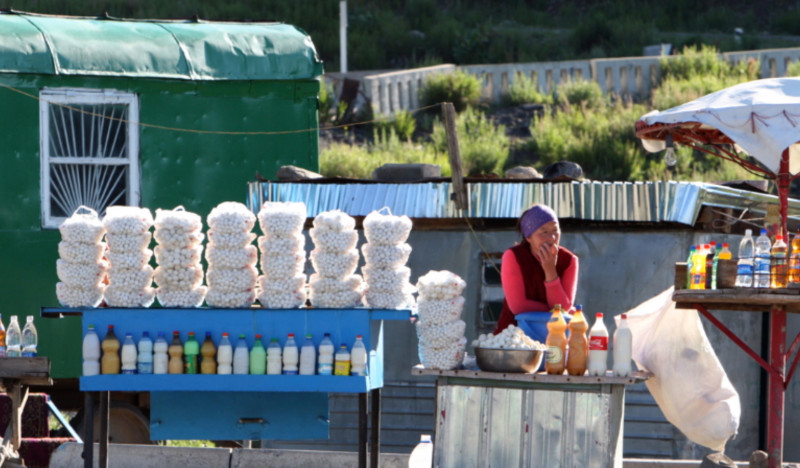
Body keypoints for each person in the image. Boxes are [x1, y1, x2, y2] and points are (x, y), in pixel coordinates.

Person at [494, 203, 579, 334]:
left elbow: (562, 308)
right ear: (528, 237)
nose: (551, 238)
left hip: (555, 337)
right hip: (514, 337)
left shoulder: (569, 260)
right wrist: (557, 309)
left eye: (555, 230)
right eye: (544, 232)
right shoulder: (513, 256)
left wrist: (550, 271)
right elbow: (519, 306)